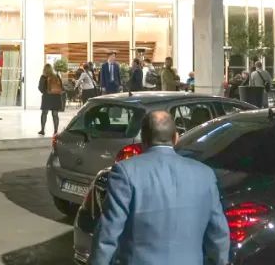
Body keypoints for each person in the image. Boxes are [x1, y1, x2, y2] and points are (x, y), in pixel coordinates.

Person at [89, 110, 229, 265]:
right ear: (176, 138)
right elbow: (219, 235)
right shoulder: (205, 174)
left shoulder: (125, 172)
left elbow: (108, 234)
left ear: (143, 139)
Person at [38, 63, 65, 135]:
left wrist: (45, 91)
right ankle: (55, 131)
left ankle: (42, 130)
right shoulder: (56, 76)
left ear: (44, 69)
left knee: (44, 113)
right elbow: (61, 87)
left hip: (47, 97)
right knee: (55, 114)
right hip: (56, 97)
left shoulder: (43, 77)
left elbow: (40, 88)